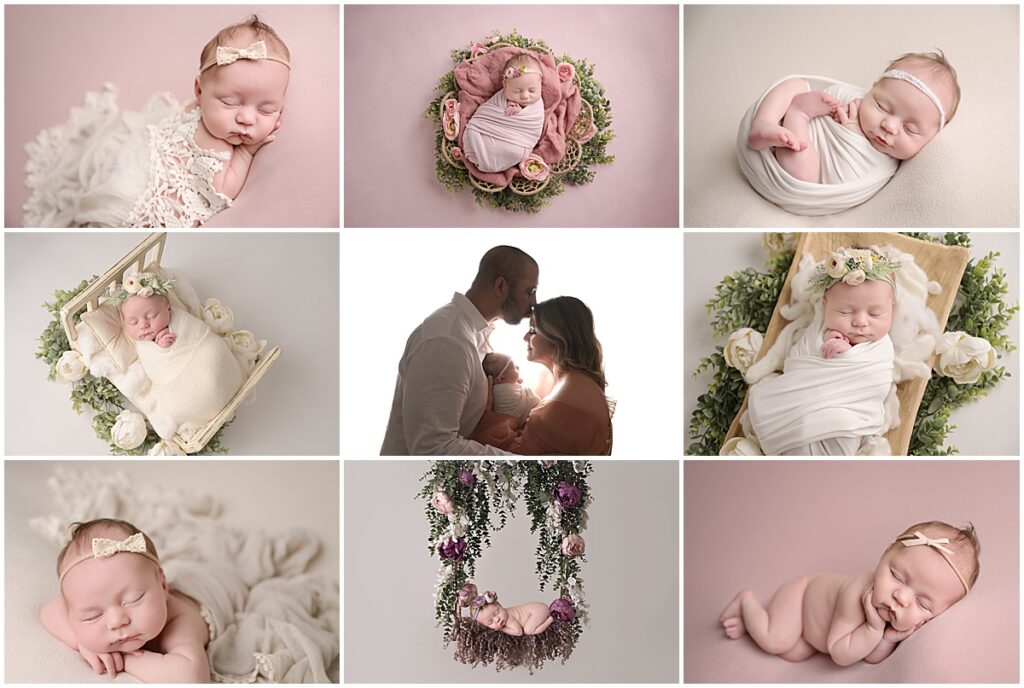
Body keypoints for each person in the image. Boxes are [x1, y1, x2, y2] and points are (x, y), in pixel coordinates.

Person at [23, 15, 289, 227]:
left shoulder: (213, 118)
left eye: (266, 110)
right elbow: (223, 190)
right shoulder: (216, 146)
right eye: (229, 103)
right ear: (199, 92)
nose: (246, 118)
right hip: (140, 186)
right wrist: (245, 154)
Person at [718, 521, 979, 666]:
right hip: (801, 596)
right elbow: (840, 653)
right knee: (777, 640)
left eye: (922, 603)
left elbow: (871, 656)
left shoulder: (891, 610)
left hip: (814, 630)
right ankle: (746, 601)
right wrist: (875, 629)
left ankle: (752, 622)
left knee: (795, 654)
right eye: (897, 576)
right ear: (885, 553)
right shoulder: (857, 595)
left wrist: (888, 638)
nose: (902, 597)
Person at [381, 246, 539, 455]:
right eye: (530, 291)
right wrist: (522, 463)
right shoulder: (447, 341)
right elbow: (432, 448)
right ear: (501, 286)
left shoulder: (470, 333)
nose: (534, 303)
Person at [746, 247, 898, 455]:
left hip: (844, 417)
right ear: (825, 305)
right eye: (845, 311)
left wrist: (845, 355)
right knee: (764, 399)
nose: (860, 322)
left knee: (841, 425)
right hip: (797, 405)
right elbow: (797, 363)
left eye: (875, 313)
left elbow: (875, 384)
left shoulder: (881, 348)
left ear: (892, 308)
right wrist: (824, 345)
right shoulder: (817, 330)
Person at [745, 51, 959, 184]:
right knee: (795, 83)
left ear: (931, 137)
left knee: (805, 175)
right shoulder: (852, 99)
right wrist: (832, 105)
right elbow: (830, 95)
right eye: (881, 106)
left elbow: (838, 179)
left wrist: (851, 132)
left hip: (801, 170)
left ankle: (798, 113)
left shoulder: (882, 166)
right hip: (781, 136)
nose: (889, 126)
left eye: (910, 129)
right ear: (872, 90)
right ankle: (763, 123)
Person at [40, 519, 210, 682]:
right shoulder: (92, 600)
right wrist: (83, 643)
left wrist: (122, 658)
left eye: (133, 599)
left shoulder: (181, 619)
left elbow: (190, 677)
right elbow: (49, 611)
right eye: (92, 616)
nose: (117, 621)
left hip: (211, 582)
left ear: (163, 585)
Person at [471, 296, 613, 455]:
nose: (525, 337)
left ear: (558, 338)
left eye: (533, 330)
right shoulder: (578, 384)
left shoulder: (563, 399)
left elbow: (520, 460)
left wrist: (488, 415)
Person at [462, 54, 545, 173]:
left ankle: (487, 158)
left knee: (515, 151)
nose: (525, 96)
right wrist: (506, 111)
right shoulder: (500, 98)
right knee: (473, 131)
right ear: (505, 86)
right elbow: (485, 115)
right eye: (517, 91)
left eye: (532, 90)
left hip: (519, 141)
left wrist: (519, 113)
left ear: (540, 83)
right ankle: (482, 154)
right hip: (487, 130)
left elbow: (532, 126)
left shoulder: (536, 108)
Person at [482, 352, 541, 425]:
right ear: (502, 378)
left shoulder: (504, 386)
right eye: (514, 367)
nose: (518, 367)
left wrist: (517, 385)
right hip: (531, 417)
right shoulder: (500, 392)